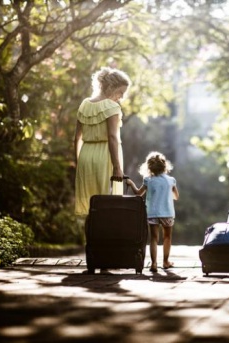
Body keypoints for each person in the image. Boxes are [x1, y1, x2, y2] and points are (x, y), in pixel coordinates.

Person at [75, 67, 131, 218]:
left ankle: (90, 239)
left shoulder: (84, 104)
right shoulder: (112, 107)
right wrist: (117, 167)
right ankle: (104, 239)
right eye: (120, 92)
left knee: (90, 205)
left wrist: (78, 161)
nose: (121, 97)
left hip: (85, 156)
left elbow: (77, 138)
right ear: (111, 87)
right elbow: (112, 137)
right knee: (106, 202)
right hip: (104, 157)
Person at [126, 152, 179, 273]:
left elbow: (138, 193)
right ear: (165, 166)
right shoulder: (171, 180)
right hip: (167, 213)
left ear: (149, 167)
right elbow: (176, 196)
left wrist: (131, 183)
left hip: (153, 213)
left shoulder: (148, 180)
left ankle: (154, 264)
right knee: (167, 237)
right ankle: (166, 262)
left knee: (154, 238)